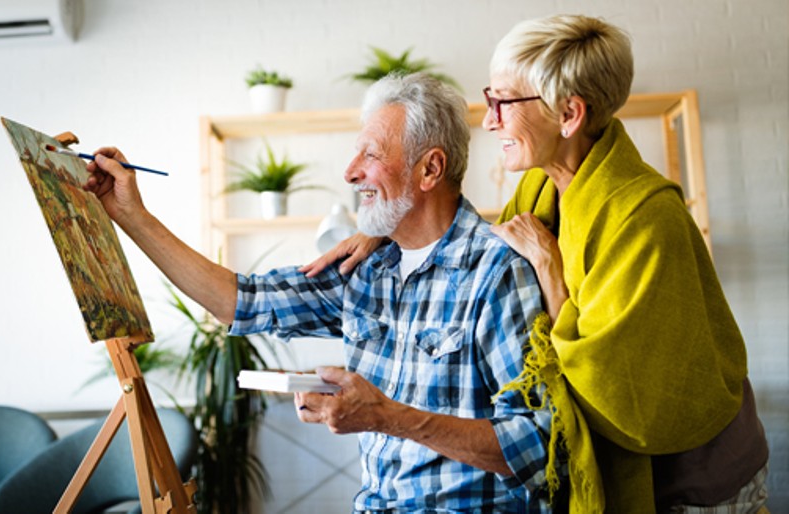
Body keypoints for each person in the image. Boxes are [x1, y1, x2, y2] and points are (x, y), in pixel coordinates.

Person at [303, 15, 770, 514]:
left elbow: (622, 392)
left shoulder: (647, 217)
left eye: (504, 101)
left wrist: (550, 270)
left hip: (692, 479)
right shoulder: (540, 187)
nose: (488, 119)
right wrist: (386, 226)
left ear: (568, 114)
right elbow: (484, 245)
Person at [83, 72, 566, 512]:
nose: (350, 172)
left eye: (371, 154)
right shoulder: (366, 267)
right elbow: (241, 301)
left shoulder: (495, 272)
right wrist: (131, 216)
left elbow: (539, 445)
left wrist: (388, 417)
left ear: (429, 170)